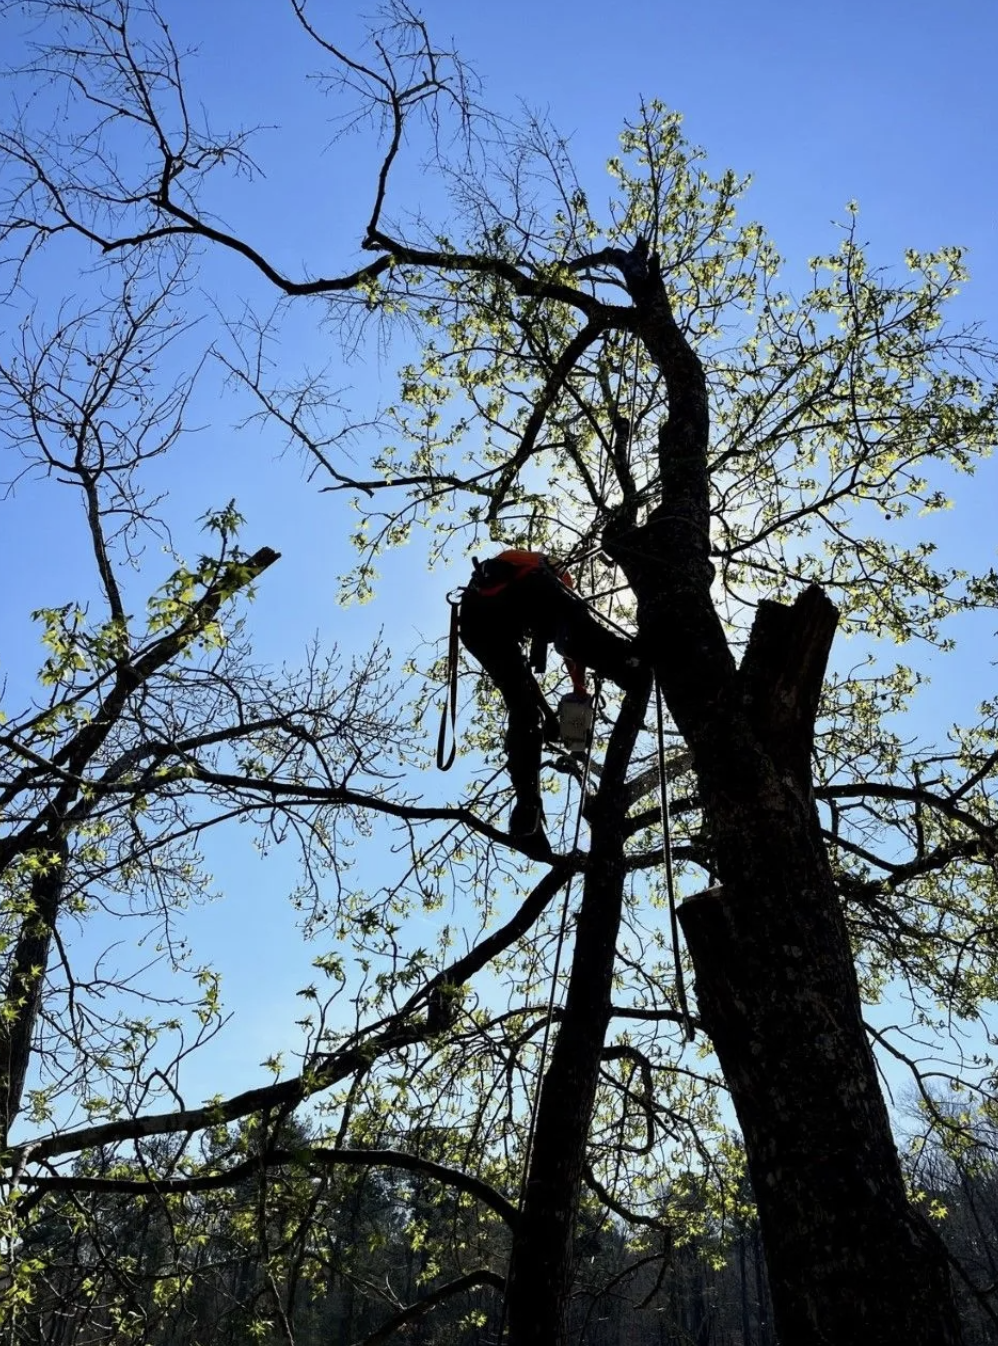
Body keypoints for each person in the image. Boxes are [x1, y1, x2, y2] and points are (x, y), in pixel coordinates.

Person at [459, 550, 642, 840]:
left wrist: (552, 713)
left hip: (475, 623)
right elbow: (571, 633)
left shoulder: (514, 566)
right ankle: (627, 661)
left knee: (524, 711)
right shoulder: (550, 574)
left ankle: (527, 802)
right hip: (513, 601)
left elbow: (525, 677)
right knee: (575, 629)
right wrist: (580, 692)